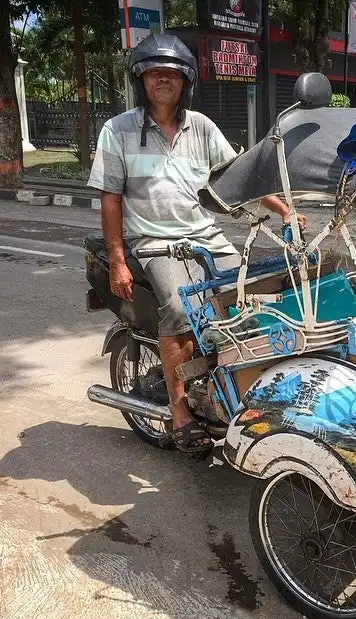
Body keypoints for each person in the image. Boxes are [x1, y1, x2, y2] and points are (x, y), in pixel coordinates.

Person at [88, 34, 304, 453]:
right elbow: (110, 198)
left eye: (172, 73)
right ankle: (180, 411)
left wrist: (283, 209)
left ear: (186, 81)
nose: (164, 79)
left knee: (252, 299)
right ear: (141, 79)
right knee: (177, 308)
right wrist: (118, 259)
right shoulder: (118, 130)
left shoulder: (201, 126)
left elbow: (234, 177)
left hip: (205, 235)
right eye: (155, 72)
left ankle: (236, 389)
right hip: (152, 242)